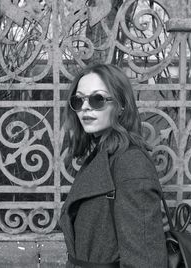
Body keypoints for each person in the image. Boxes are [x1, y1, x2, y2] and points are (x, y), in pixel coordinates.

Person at [59, 64, 168, 268]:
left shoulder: (131, 165)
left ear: (121, 105)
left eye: (97, 99)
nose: (85, 107)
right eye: (78, 100)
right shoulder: (104, 155)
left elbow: (145, 260)